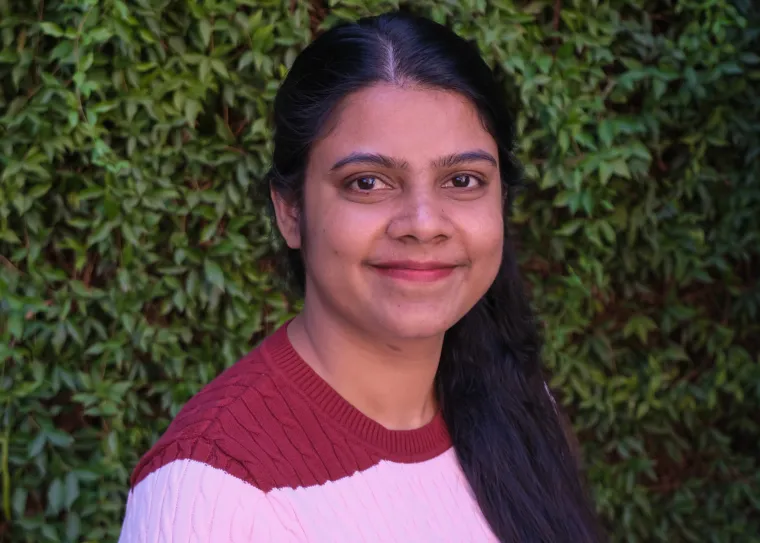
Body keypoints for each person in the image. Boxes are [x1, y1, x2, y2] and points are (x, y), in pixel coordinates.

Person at [118, 11, 603, 543]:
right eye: (367, 182)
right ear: (290, 212)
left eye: (462, 180)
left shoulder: (518, 402)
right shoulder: (212, 492)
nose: (423, 224)